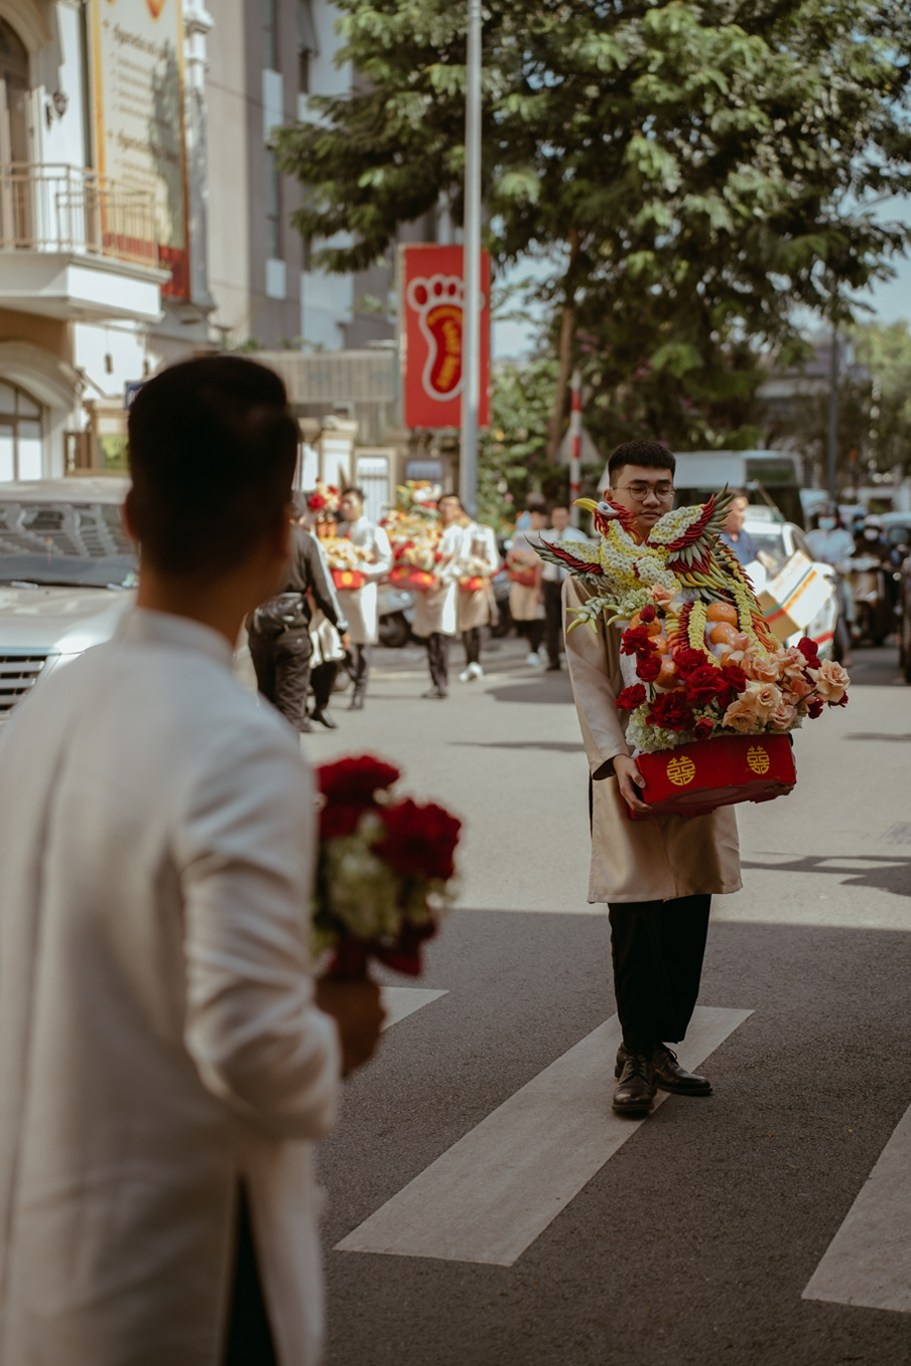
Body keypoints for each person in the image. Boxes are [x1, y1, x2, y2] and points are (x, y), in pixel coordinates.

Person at [0, 355, 385, 1364]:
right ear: (279, 535)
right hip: (179, 1270)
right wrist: (337, 1031)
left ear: (130, 516)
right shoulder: (238, 742)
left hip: (37, 1241)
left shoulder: (40, 716)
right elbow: (251, 1046)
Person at [563, 440, 742, 1118]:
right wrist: (611, 760)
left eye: (662, 487)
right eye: (637, 487)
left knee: (689, 901)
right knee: (635, 907)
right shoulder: (586, 574)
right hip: (628, 760)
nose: (651, 499)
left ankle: (662, 1043)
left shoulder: (703, 563)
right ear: (609, 493)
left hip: (697, 751)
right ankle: (635, 1052)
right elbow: (586, 676)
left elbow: (738, 640)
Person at [247, 501, 350, 733]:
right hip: (292, 630)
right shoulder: (305, 541)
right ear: (301, 515)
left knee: (266, 703)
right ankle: (286, 762)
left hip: (259, 628)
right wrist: (341, 627)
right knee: (290, 707)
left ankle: (268, 760)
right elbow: (325, 591)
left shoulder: (254, 539)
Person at [337, 486, 393, 710]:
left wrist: (363, 570)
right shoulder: (338, 530)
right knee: (339, 641)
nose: (346, 507)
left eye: (350, 502)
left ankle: (359, 692)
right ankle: (351, 675)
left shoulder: (373, 530)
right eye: (343, 503)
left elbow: (386, 561)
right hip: (340, 593)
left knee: (363, 642)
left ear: (361, 503)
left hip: (363, 592)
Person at [412, 491, 465, 699]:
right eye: (443, 505)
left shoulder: (459, 534)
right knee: (429, 636)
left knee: (441, 635)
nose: (446, 509)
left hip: (445, 588)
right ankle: (434, 680)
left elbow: (462, 563)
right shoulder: (430, 531)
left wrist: (442, 578)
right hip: (426, 588)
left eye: (451, 505)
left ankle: (442, 681)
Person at [453, 500, 500, 682]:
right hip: (460, 584)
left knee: (477, 621)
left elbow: (492, 560)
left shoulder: (482, 531)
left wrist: (480, 569)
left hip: (479, 583)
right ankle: (468, 662)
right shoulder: (453, 533)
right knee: (465, 624)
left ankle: (476, 662)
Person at [538, 503, 589, 671]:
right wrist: (537, 589)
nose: (559, 520)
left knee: (572, 623)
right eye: (556, 517)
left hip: (570, 584)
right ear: (552, 519)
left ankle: (574, 659)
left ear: (567, 518)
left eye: (562, 517)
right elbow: (540, 565)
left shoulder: (578, 537)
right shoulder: (545, 537)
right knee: (550, 624)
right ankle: (553, 659)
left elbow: (586, 563)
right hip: (550, 584)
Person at [805, 505, 855, 665]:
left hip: (835, 580)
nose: (825, 519)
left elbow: (848, 561)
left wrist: (837, 565)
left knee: (837, 614)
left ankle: (846, 652)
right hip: (813, 581)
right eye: (823, 516)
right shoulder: (811, 537)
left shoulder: (844, 537)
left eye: (829, 516)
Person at [506, 496, 548, 665]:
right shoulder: (519, 535)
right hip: (520, 580)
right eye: (534, 515)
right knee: (520, 615)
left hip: (538, 581)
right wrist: (517, 560)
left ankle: (535, 649)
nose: (537, 519)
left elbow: (542, 562)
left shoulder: (546, 536)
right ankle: (533, 646)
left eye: (540, 516)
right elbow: (511, 557)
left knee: (536, 615)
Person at [718, 489, 762, 568]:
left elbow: (761, 556)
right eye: (741, 510)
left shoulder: (743, 535)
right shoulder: (715, 540)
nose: (744, 515)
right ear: (725, 510)